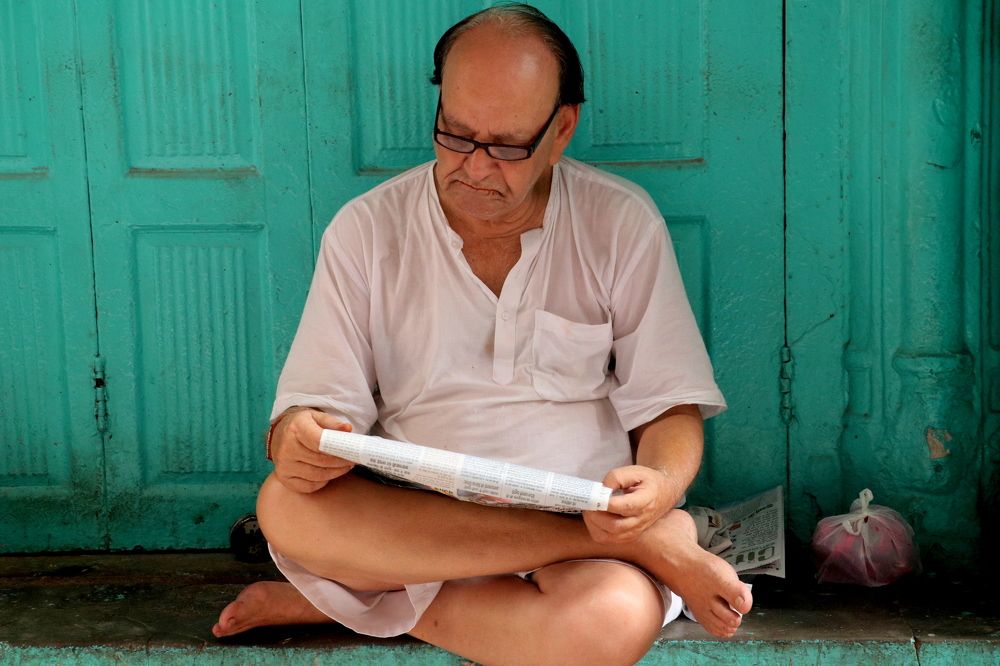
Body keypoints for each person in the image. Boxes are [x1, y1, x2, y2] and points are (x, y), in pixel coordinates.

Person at [213, 4, 752, 664]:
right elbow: (308, 413)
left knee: (609, 624)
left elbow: (671, 406)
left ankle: (347, 604)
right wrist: (299, 435)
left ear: (561, 130)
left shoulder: (620, 223)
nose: (474, 167)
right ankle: (638, 544)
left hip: (571, 516)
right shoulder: (367, 232)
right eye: (455, 136)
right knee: (287, 508)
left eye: (506, 147)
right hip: (420, 524)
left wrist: (661, 487)